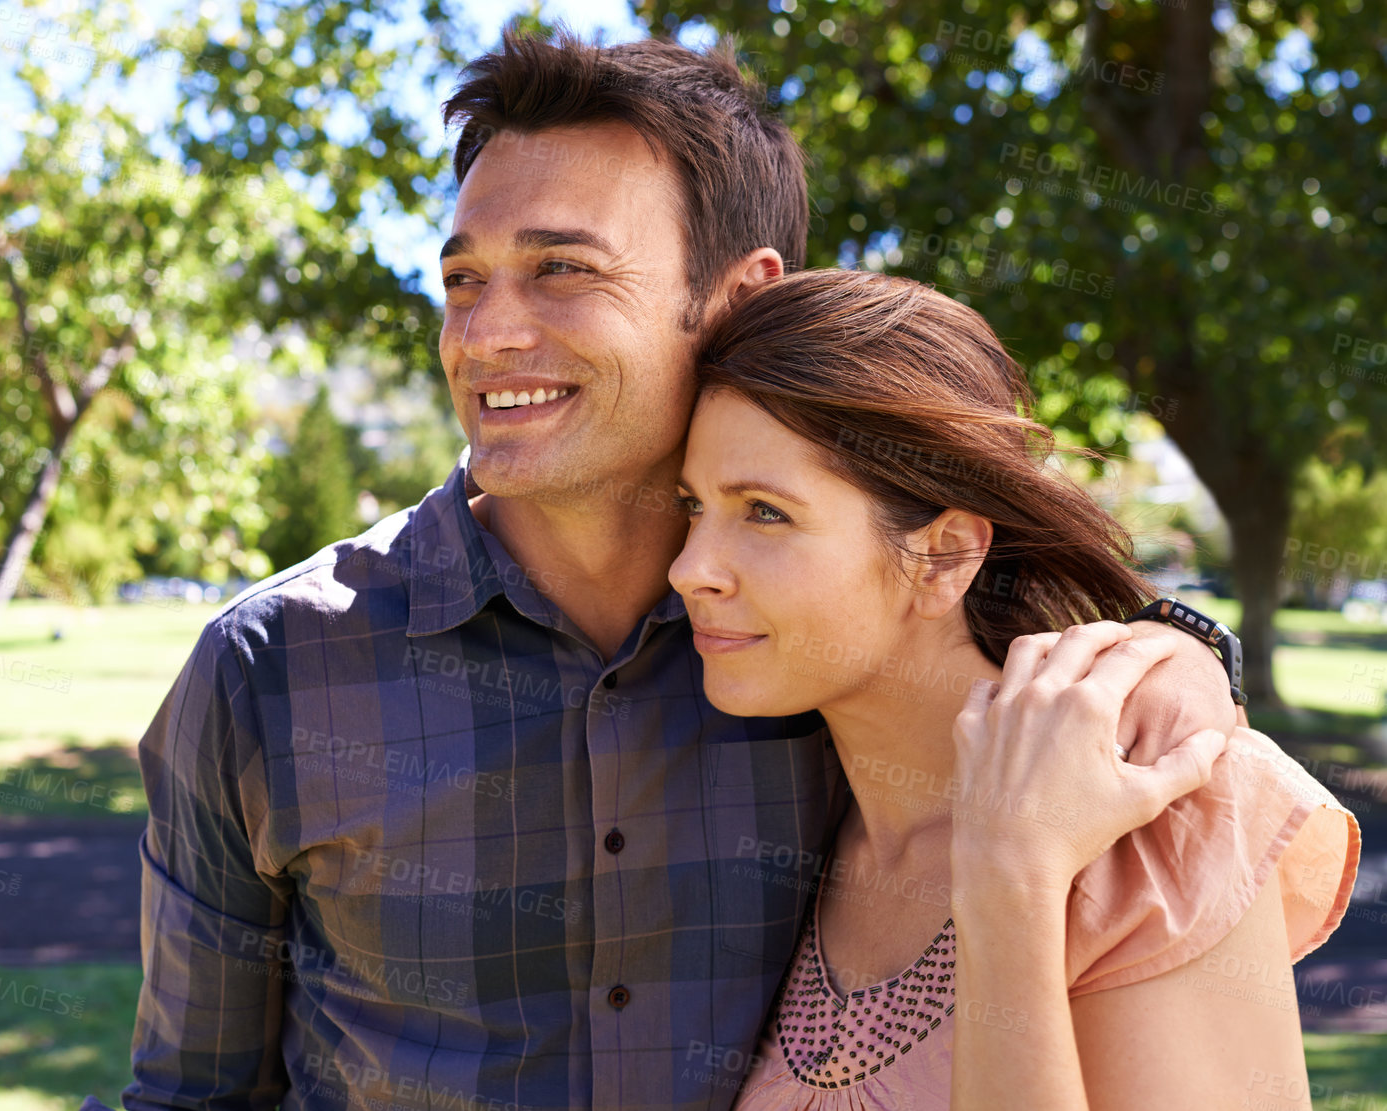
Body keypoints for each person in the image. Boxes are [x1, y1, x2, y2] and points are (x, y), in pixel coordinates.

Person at [83, 31, 1248, 1111]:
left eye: (561, 270)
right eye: (463, 278)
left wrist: (1186, 654)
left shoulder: (808, 645)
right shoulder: (270, 669)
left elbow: (994, 599)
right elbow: (190, 1094)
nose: (485, 335)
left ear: (738, 297)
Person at [669, 269, 1359, 1110]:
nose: (689, 568)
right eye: (692, 506)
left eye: (764, 511)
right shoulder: (777, 822)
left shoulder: (1151, 820)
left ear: (946, 555)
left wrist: (1012, 884)